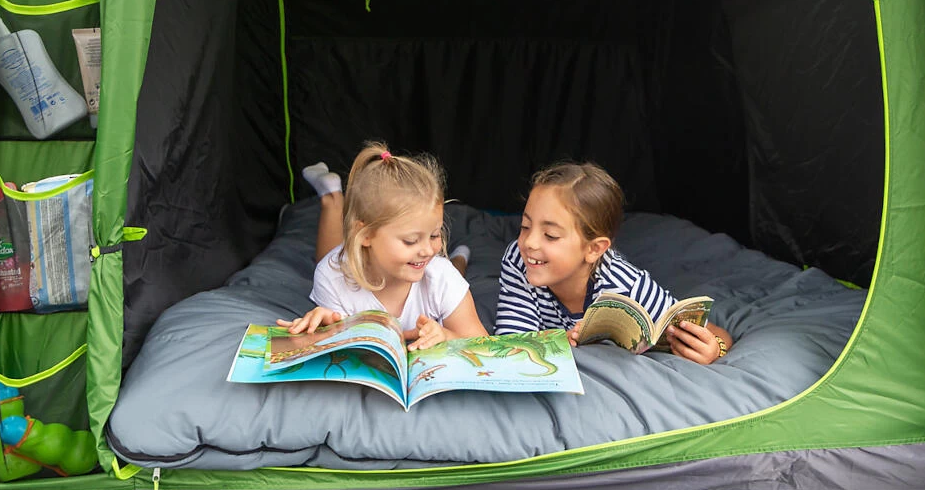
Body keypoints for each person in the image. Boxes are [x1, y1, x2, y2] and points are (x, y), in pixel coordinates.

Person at [495, 161, 733, 364]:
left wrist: (716, 348)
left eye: (550, 235)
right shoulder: (520, 260)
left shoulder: (628, 284)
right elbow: (511, 342)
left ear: (594, 249)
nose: (529, 242)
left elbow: (712, 332)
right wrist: (553, 342)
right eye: (525, 226)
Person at [278, 142, 486, 351]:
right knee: (330, 259)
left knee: (450, 269)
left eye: (434, 235)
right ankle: (331, 198)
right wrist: (326, 330)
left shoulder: (441, 275)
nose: (428, 250)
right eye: (411, 241)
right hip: (346, 262)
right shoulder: (332, 277)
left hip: (439, 274)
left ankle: (460, 256)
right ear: (366, 235)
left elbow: (483, 345)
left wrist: (446, 335)